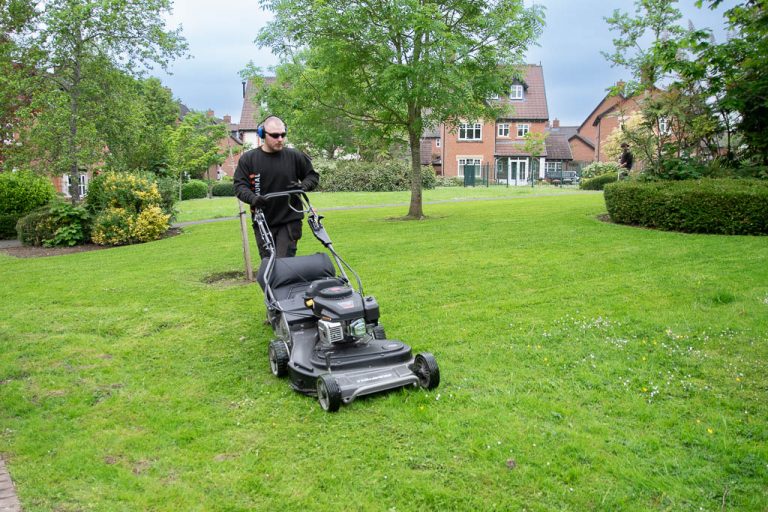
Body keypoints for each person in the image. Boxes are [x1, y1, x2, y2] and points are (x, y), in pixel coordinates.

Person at [234, 115, 319, 259]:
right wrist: (253, 198)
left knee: (283, 263)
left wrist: (303, 186)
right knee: (269, 266)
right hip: (263, 221)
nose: (280, 139)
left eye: (283, 134)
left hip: (290, 220)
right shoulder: (249, 159)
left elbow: (312, 176)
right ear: (262, 134)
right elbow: (240, 186)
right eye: (275, 135)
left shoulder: (295, 156)